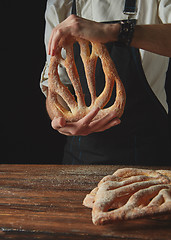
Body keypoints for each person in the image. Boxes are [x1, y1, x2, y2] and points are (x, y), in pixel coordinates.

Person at [40, 0, 171, 165]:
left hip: (149, 159)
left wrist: (113, 32)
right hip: (79, 162)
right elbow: (55, 86)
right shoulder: (61, 3)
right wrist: (60, 119)